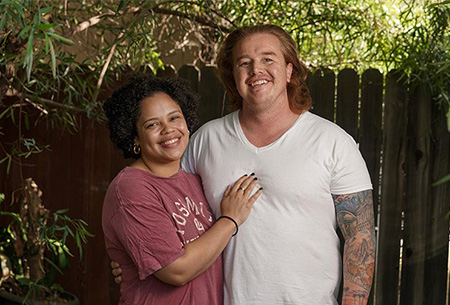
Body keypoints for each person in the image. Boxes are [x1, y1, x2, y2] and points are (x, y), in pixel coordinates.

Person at [113, 25, 376, 305]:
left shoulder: (332, 142)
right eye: (244, 63)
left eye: (267, 59)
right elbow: (167, 210)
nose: (256, 70)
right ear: (233, 76)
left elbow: (360, 239)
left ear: (289, 70)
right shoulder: (205, 140)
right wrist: (133, 259)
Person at [102, 75, 262, 305]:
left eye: (174, 118)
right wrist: (230, 219)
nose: (169, 130)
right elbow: (176, 271)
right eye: (152, 124)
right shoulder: (130, 188)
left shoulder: (193, 179)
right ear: (134, 137)